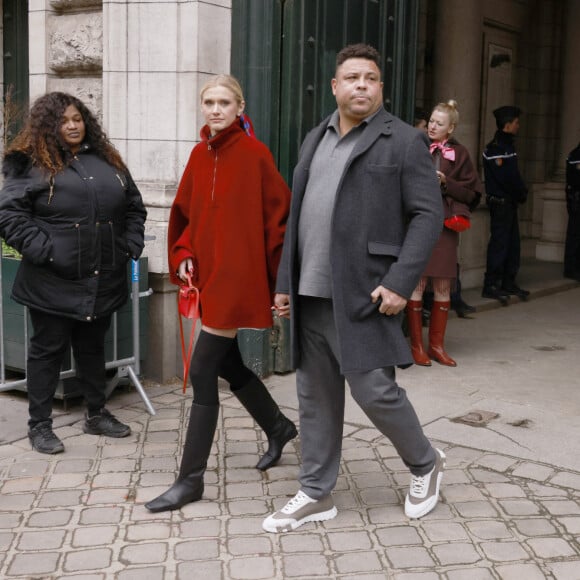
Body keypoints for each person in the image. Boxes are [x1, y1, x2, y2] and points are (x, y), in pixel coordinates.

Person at [262, 44, 446, 533]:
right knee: (315, 397)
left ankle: (426, 463)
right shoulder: (313, 138)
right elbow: (297, 218)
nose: (361, 85)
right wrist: (284, 283)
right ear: (335, 86)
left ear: (380, 87)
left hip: (366, 294)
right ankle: (316, 492)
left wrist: (400, 282)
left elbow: (429, 216)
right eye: (352, 77)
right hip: (309, 293)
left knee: (376, 392)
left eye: (370, 78)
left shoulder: (403, 141)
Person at [145, 75, 296, 513]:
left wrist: (279, 283)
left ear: (239, 106)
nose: (215, 109)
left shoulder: (255, 155)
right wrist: (185, 250)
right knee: (227, 362)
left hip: (237, 278)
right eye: (209, 102)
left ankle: (190, 480)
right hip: (208, 275)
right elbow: (185, 215)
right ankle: (279, 426)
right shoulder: (198, 153)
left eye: (224, 102)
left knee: (203, 368)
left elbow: (280, 222)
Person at [0, 92, 147, 454]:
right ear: (49, 125)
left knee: (92, 347)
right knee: (47, 351)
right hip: (53, 281)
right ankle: (40, 426)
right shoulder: (29, 164)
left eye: (77, 118)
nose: (72, 125)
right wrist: (46, 252)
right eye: (63, 120)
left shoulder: (107, 160)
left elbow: (134, 208)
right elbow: (9, 215)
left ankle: (96, 414)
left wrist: (128, 246)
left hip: (103, 275)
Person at [406, 101, 482, 367]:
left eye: (439, 123)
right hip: (416, 224)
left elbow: (473, 194)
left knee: (442, 285)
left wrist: (445, 183)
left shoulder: (460, 154)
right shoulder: (415, 145)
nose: (432, 126)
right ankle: (417, 347)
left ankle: (437, 346)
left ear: (451, 128)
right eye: (431, 121)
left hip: (445, 226)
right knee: (417, 283)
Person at [482, 105, 530, 303]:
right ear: (507, 125)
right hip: (501, 203)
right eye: (516, 123)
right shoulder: (496, 149)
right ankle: (491, 284)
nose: (518, 126)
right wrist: (521, 192)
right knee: (500, 244)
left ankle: (508, 282)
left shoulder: (507, 146)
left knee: (512, 244)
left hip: (509, 203)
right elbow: (507, 178)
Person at [564, 142, 580, 281]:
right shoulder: (576, 155)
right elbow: (574, 180)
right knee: (575, 235)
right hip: (577, 201)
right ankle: (571, 268)